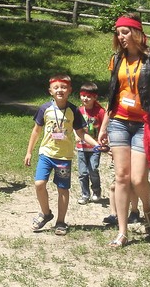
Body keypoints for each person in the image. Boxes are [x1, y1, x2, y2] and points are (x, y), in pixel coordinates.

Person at [97, 14, 150, 247]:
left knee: (139, 178)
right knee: (121, 177)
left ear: (137, 32)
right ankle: (123, 231)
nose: (120, 37)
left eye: (125, 32)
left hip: (144, 123)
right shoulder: (116, 59)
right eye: (118, 33)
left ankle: (147, 208)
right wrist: (104, 126)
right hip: (119, 122)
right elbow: (113, 95)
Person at [24, 75, 98, 235]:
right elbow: (36, 131)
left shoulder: (74, 110)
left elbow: (81, 133)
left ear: (69, 90)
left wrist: (96, 144)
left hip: (63, 158)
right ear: (50, 91)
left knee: (62, 189)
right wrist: (29, 152)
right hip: (46, 154)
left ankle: (61, 221)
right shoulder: (45, 108)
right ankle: (46, 213)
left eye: (63, 87)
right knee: (39, 184)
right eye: (56, 87)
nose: (60, 90)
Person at [76, 82, 106, 205]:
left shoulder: (100, 111)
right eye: (83, 95)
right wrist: (76, 135)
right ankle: (85, 194)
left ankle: (96, 191)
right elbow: (75, 126)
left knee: (93, 169)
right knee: (83, 172)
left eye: (88, 96)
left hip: (95, 147)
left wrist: (104, 139)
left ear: (95, 97)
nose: (85, 99)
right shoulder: (78, 111)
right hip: (81, 147)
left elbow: (105, 126)